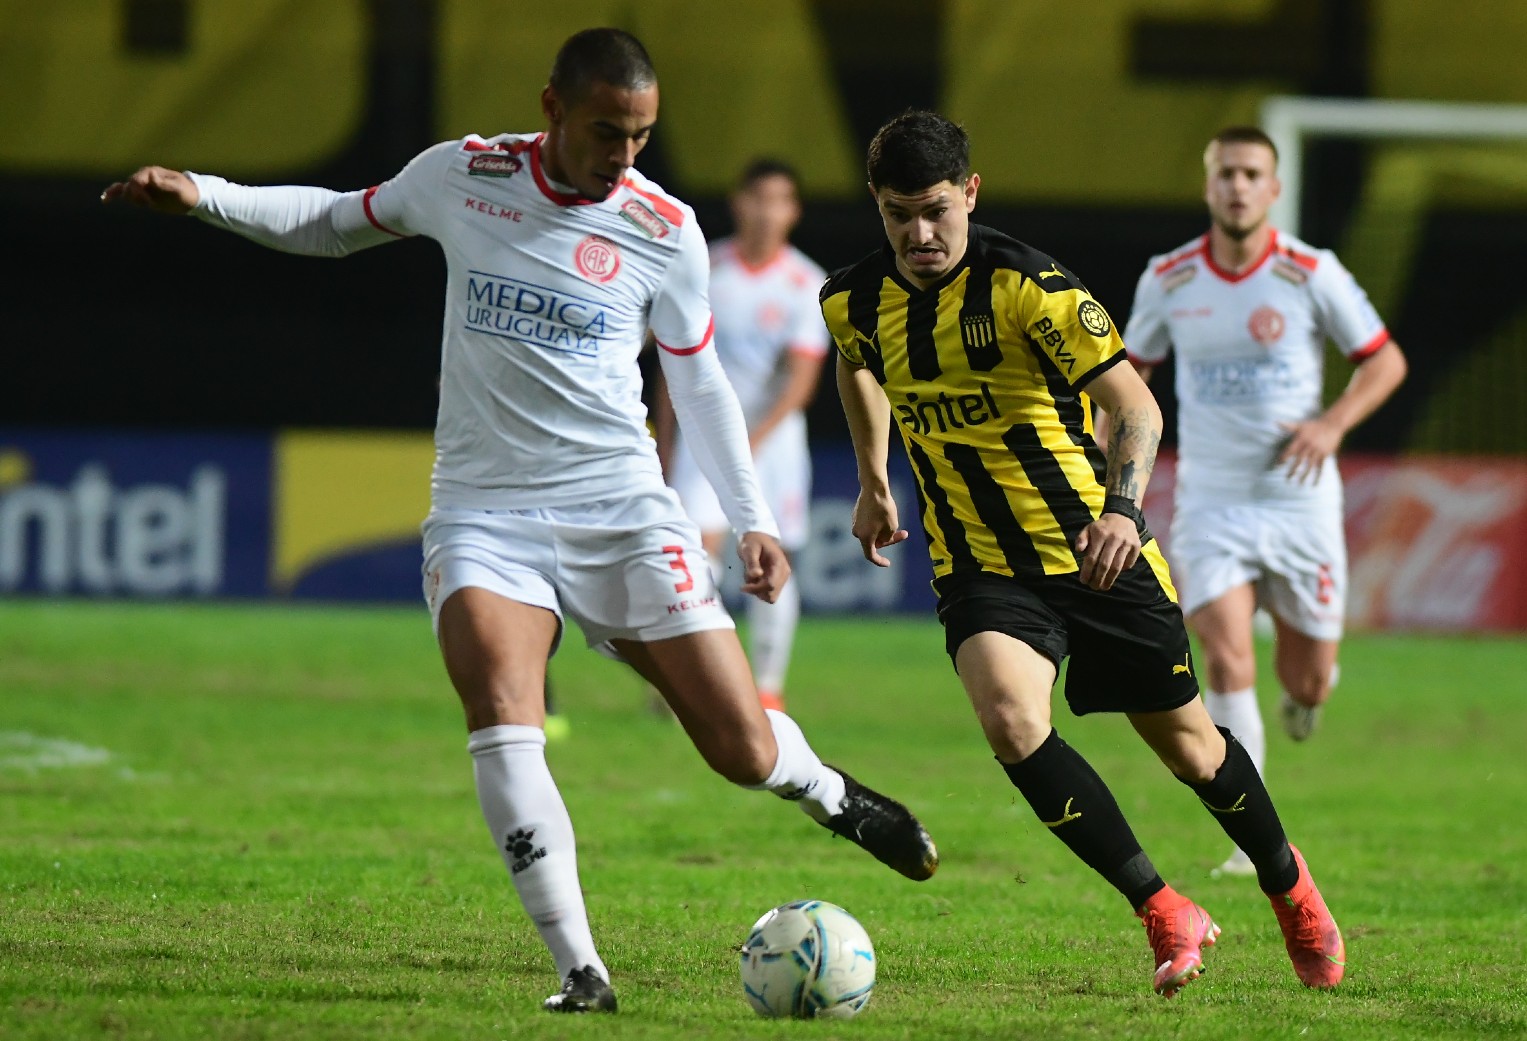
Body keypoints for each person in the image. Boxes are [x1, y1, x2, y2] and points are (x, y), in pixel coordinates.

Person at [101, 28, 938, 1015]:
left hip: (622, 510)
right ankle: (580, 969)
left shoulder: (661, 228)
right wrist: (204, 192)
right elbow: (333, 219)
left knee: (741, 749)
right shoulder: (465, 175)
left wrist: (750, 516)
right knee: (505, 712)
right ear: (551, 108)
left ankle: (833, 795)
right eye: (606, 132)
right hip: (483, 514)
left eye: (641, 136)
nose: (624, 156)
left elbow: (697, 378)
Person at [823, 109, 1344, 997]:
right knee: (1011, 721)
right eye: (896, 213)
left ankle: (1289, 885)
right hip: (978, 562)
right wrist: (874, 478)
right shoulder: (852, 299)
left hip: (1092, 551)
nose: (917, 233)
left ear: (970, 193)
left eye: (935, 211)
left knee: (1190, 750)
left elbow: (1137, 408)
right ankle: (1162, 908)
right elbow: (855, 359)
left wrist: (1122, 512)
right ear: (875, 205)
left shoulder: (1030, 287)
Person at [1118, 126, 1407, 877]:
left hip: (1298, 502)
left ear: (1273, 188)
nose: (1237, 186)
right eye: (1225, 174)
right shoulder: (1169, 278)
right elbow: (1124, 377)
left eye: (1251, 174)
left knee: (1306, 676)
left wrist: (1331, 423)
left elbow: (1383, 361)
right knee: (1224, 651)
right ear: (1208, 185)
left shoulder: (1312, 272)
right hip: (1211, 500)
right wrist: (1106, 457)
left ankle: (1307, 697)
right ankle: (1253, 837)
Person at [652, 158, 830, 713]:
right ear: (738, 201)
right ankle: (693, 684)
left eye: (779, 199)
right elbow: (671, 363)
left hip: (771, 446)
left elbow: (801, 384)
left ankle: (768, 691)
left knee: (769, 559)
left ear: (793, 211)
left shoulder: (807, 283)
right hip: (704, 438)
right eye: (757, 197)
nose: (766, 211)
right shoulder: (706, 268)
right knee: (693, 556)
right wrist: (667, 439)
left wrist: (749, 443)